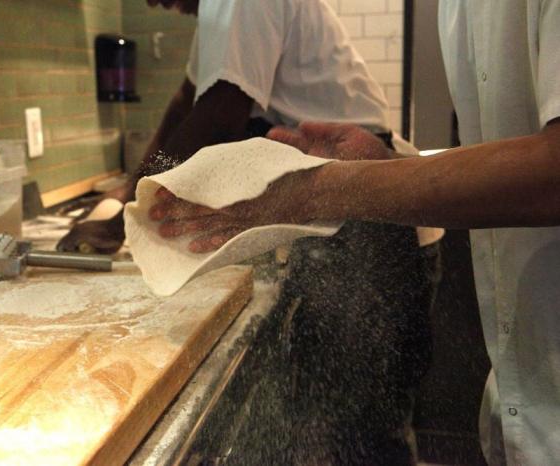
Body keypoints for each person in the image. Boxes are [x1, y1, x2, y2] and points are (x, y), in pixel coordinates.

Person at [149, 1, 560, 464]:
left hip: (372, 229)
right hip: (526, 401)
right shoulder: (458, 9)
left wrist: (320, 191)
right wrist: (384, 167)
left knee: (362, 438)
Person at [63, 1, 437, 464]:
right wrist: (129, 193)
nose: (151, 3)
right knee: (319, 419)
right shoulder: (216, 17)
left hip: (362, 198)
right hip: (328, 197)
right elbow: (185, 101)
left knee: (358, 428)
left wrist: (134, 204)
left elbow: (220, 112)